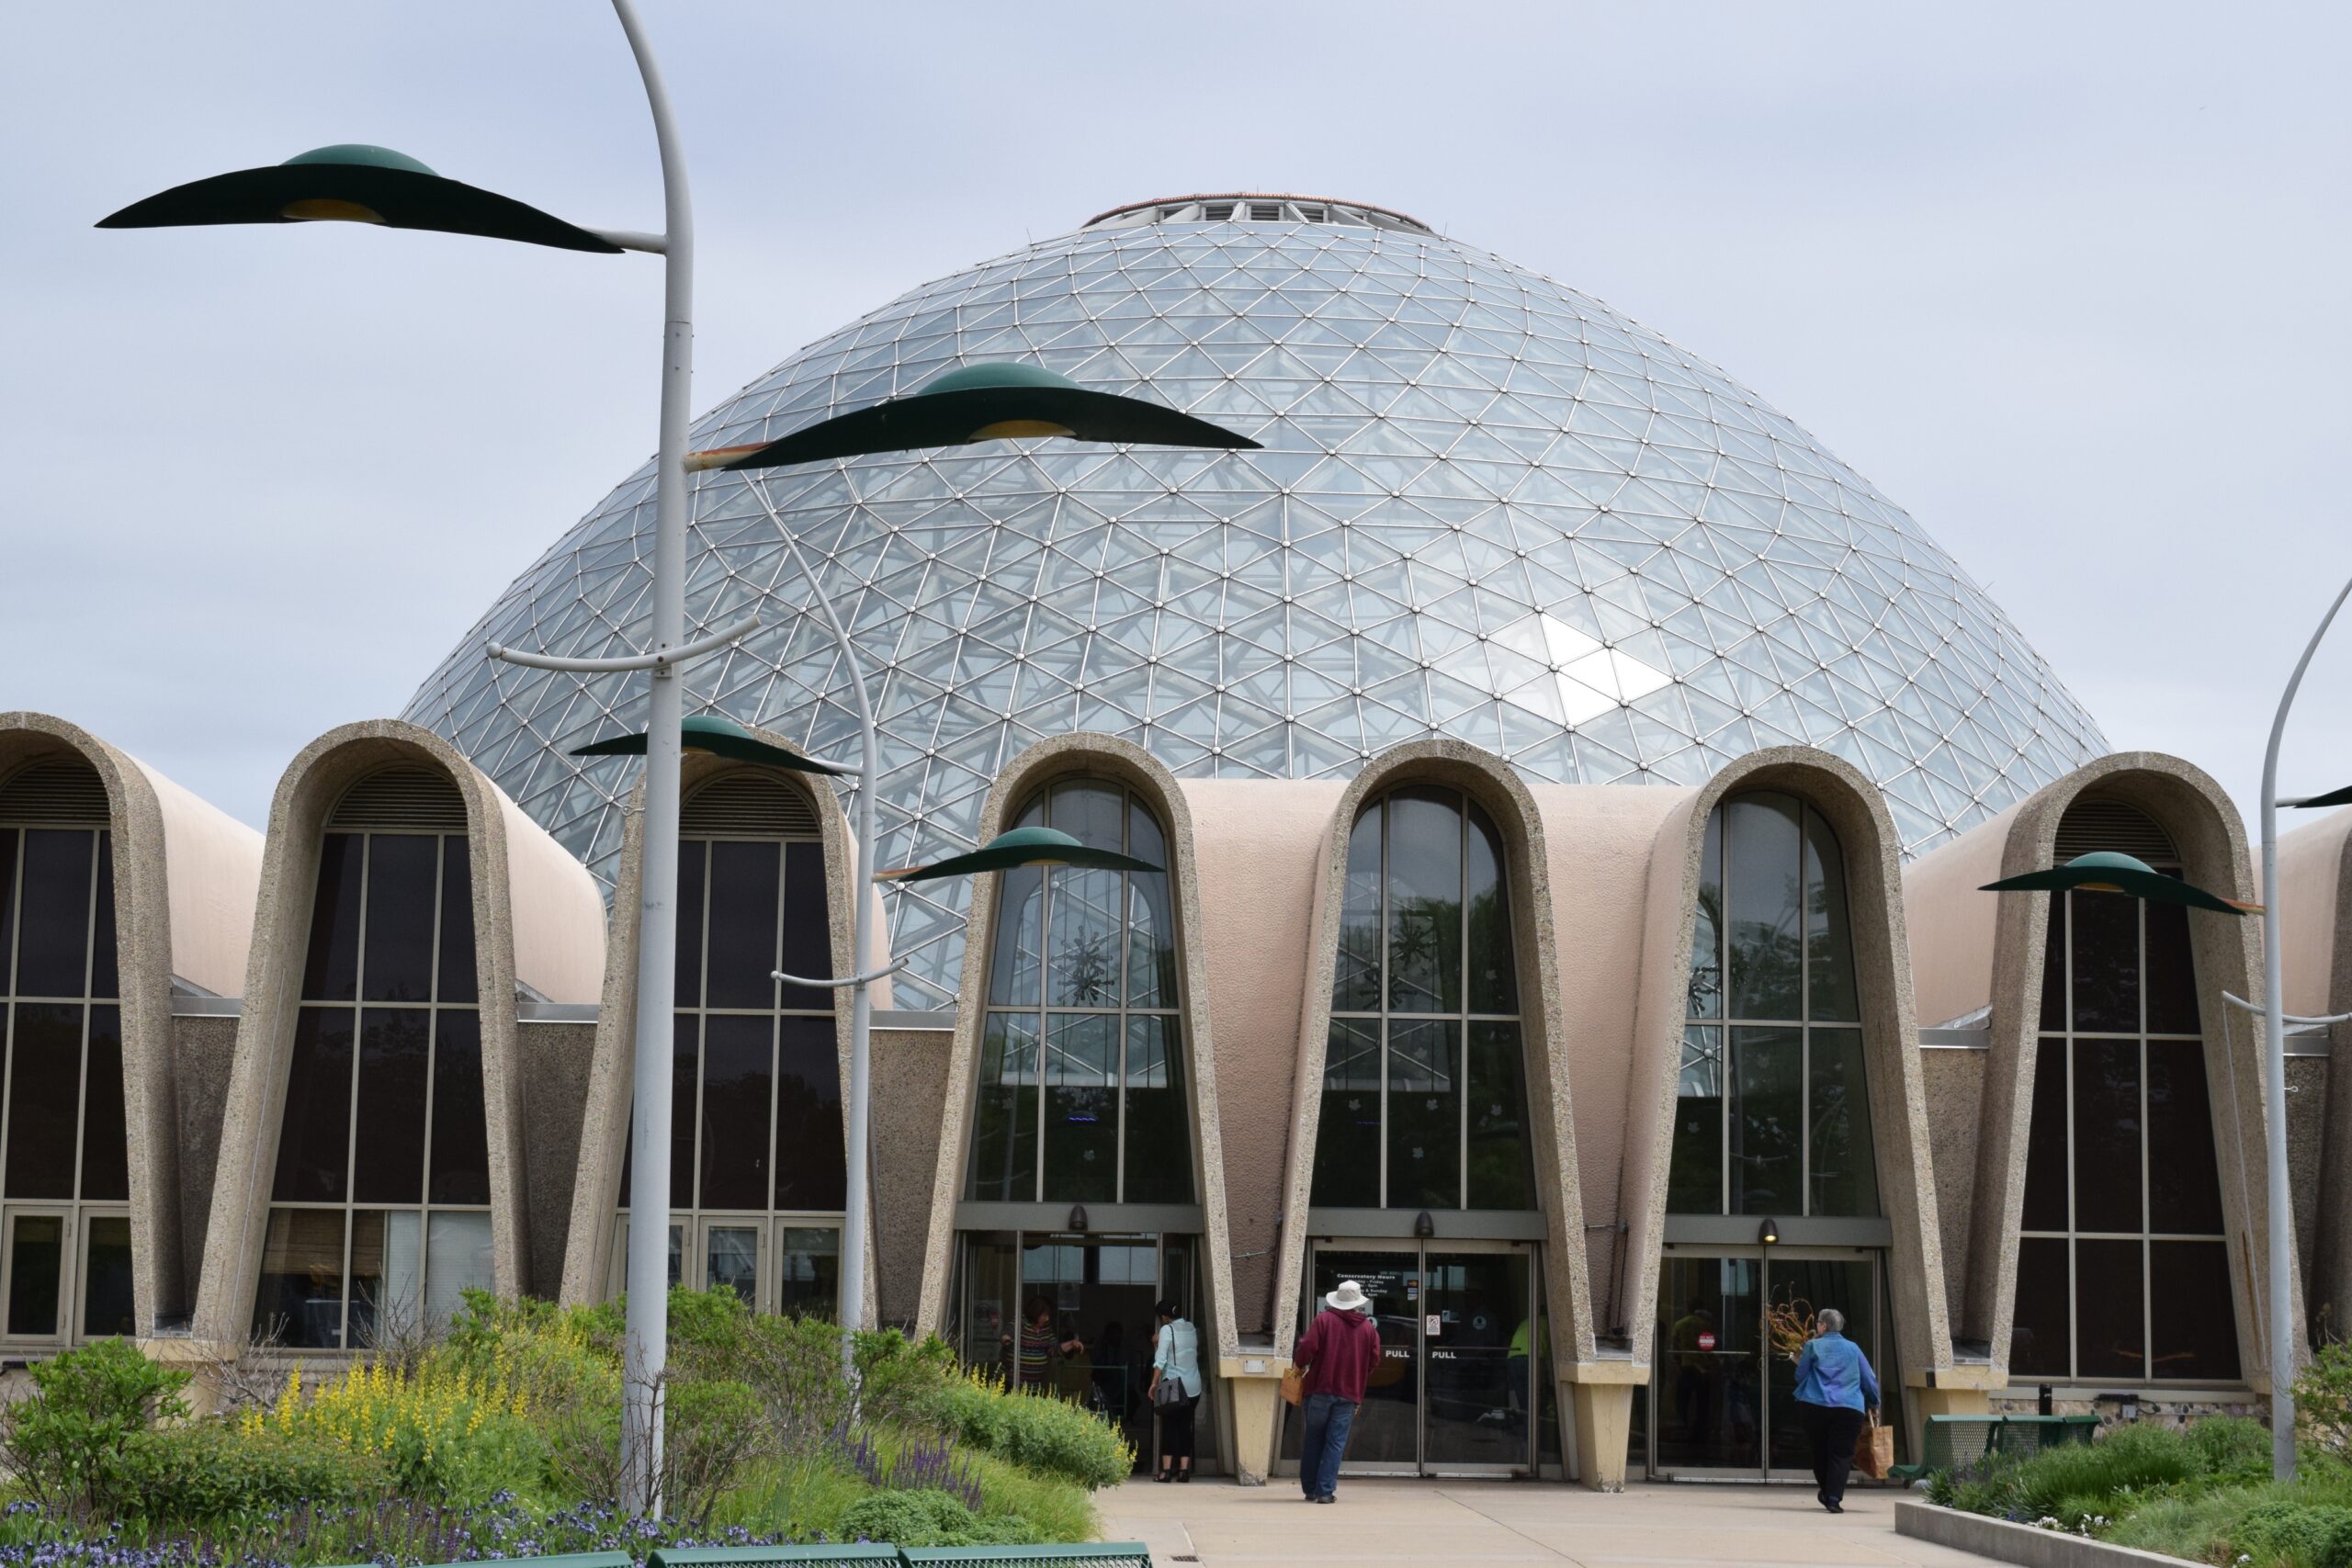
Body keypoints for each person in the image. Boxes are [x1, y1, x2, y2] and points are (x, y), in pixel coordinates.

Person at [1291, 1280, 1383, 1505]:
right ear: (1357, 1303)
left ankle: (1310, 1489)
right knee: (1335, 1443)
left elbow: (1307, 1347)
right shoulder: (1368, 1329)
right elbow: (1374, 1360)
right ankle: (1325, 1492)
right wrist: (1359, 1373)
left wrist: (1298, 1365)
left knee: (1313, 1439)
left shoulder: (1324, 1320)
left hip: (1319, 1389)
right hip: (1349, 1394)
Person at [1792, 1307, 1881, 1513]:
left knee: (1820, 1451)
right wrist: (1874, 1403)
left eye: (1818, 1323)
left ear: (1823, 1326)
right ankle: (1833, 1498)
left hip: (1815, 1406)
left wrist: (1798, 1358)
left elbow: (1800, 1375)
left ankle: (1826, 1490)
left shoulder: (1812, 1346)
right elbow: (1869, 1379)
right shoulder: (1853, 1349)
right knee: (1841, 1454)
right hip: (1849, 1408)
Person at [1148, 1299, 1204, 1483]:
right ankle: (1183, 1471)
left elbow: (1161, 1361)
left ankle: (1165, 1472)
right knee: (1184, 1427)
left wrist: (1154, 1384)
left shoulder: (1166, 1330)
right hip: (1194, 1386)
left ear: (1164, 1317)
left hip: (1173, 1383)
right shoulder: (1191, 1328)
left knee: (1170, 1426)